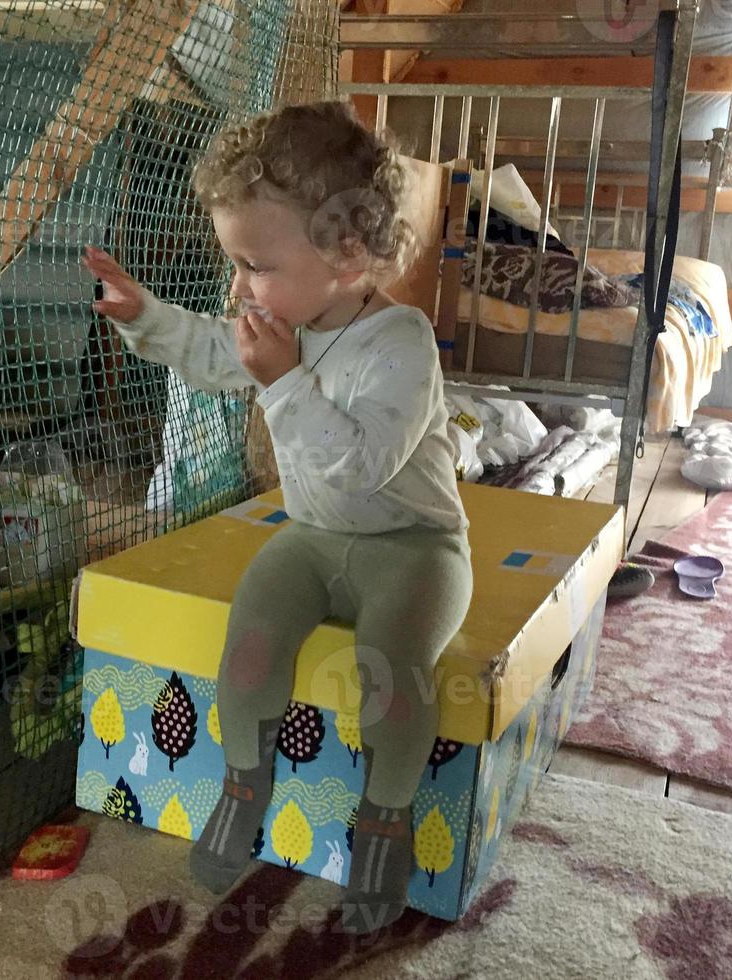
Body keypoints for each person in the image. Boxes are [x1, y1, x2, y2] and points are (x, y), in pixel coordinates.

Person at [82, 100, 473, 934]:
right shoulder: (280, 323)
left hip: (414, 545)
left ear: (348, 254)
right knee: (250, 643)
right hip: (315, 538)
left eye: (254, 264)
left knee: (392, 666)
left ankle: (382, 823)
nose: (238, 288)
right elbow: (210, 348)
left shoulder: (399, 343)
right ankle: (241, 783)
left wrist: (285, 381)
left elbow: (361, 465)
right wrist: (142, 315)